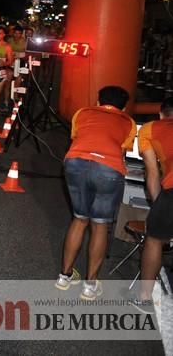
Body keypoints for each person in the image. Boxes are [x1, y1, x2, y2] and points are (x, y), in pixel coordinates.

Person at [55, 86, 136, 300]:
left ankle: (64, 277)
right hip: (108, 168)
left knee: (80, 219)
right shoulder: (128, 122)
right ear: (124, 106)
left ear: (98, 101)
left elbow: (76, 137)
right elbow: (123, 150)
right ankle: (89, 287)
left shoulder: (82, 112)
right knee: (100, 224)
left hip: (75, 162)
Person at [134, 97, 173, 313]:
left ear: (161, 114)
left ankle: (145, 297)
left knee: (154, 239)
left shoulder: (150, 128)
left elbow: (152, 172)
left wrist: (159, 204)